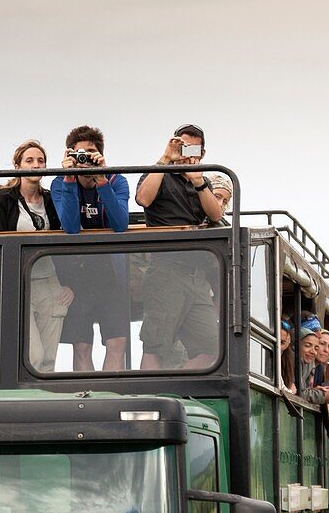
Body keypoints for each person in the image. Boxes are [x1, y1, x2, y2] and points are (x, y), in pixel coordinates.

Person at [135, 125, 222, 370]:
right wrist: (165, 158)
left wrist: (199, 181)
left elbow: (215, 213)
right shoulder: (160, 173)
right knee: (156, 345)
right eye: (182, 145)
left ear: (202, 152)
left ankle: (175, 390)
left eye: (193, 148)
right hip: (166, 271)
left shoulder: (201, 180)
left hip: (197, 276)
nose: (186, 152)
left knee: (213, 350)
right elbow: (143, 199)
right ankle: (147, 399)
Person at [0, 140, 73, 371]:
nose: (36, 165)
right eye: (29, 160)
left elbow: (67, 242)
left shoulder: (51, 198)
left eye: (41, 161)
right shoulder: (3, 199)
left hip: (49, 282)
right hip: (17, 284)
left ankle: (44, 406)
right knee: (31, 356)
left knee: (47, 361)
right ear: (17, 166)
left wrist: (70, 284)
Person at [49, 126, 130, 371]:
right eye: (78, 154)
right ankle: (86, 399)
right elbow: (71, 227)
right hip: (77, 276)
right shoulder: (59, 183)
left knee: (117, 343)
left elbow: (120, 224)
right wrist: (70, 179)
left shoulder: (116, 180)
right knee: (81, 346)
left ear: (100, 155)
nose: (84, 158)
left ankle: (112, 400)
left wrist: (102, 179)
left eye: (91, 153)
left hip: (111, 275)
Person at [297, 328, 329, 405]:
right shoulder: (303, 362)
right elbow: (298, 392)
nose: (326, 350)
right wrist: (323, 396)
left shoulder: (320, 369)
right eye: (322, 344)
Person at [280, 319, 296, 393]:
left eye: (282, 342)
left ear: (288, 340)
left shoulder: (290, 359)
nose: (278, 347)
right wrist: (291, 391)